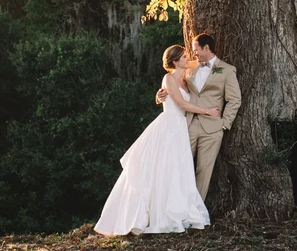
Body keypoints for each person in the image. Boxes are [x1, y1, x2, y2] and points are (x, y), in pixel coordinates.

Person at [94, 45, 220, 236]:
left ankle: (178, 209)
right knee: (163, 169)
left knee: (178, 170)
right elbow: (180, 103)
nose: (188, 58)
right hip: (168, 128)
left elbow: (199, 63)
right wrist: (207, 111)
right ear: (175, 62)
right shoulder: (168, 78)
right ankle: (157, 215)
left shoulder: (185, 77)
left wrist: (203, 56)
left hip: (179, 129)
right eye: (184, 57)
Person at [156, 33, 241, 201]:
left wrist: (224, 123)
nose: (193, 53)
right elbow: (173, 85)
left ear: (206, 48)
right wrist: (159, 96)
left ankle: (195, 211)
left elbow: (234, 99)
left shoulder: (227, 70)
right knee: (180, 166)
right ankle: (175, 205)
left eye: (195, 50)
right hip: (187, 124)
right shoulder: (189, 66)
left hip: (213, 129)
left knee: (204, 171)